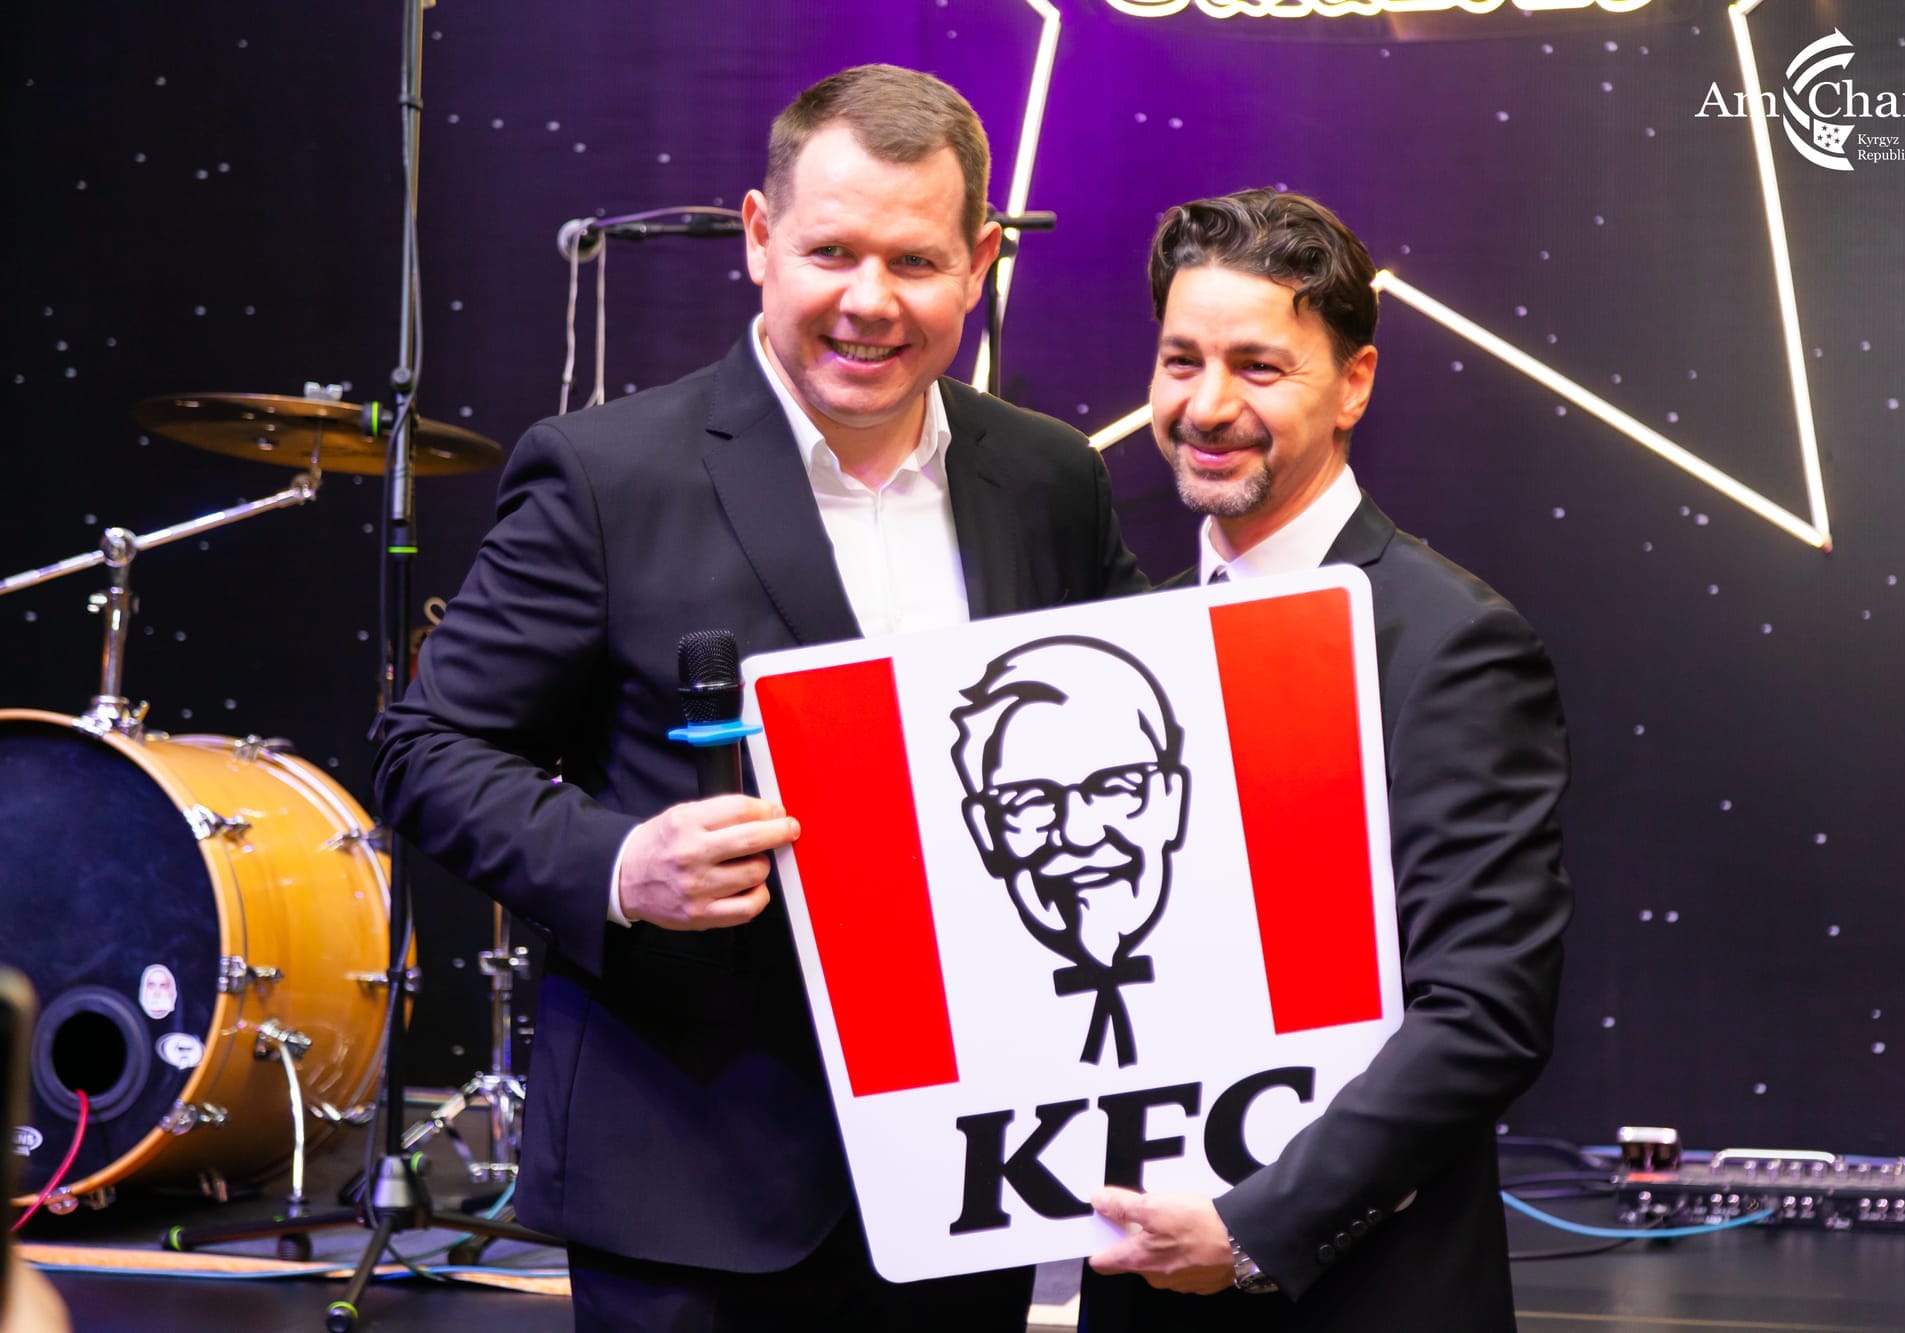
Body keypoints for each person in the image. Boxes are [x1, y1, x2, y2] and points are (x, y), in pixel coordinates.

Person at [373, 64, 1144, 1332]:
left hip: (972, 1173)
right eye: (830, 251)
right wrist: (622, 864)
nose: (868, 301)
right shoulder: (606, 473)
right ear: (756, 237)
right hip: (692, 1180)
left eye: (914, 261)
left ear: (978, 264)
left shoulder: (1050, 476)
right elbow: (424, 749)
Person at [1080, 189, 1572, 1331]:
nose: (1207, 406)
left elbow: (1484, 1008)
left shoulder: (1450, 640)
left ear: (1353, 383)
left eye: (1258, 367)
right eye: (1180, 361)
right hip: (1140, 1287)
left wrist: (1253, 1226)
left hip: (1360, 1296)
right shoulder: (1122, 645)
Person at [951, 636, 1190, 1067]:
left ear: (1172, 800)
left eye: (1116, 787)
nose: (1078, 834)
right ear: (985, 831)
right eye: (1029, 801)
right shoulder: (970, 1026)